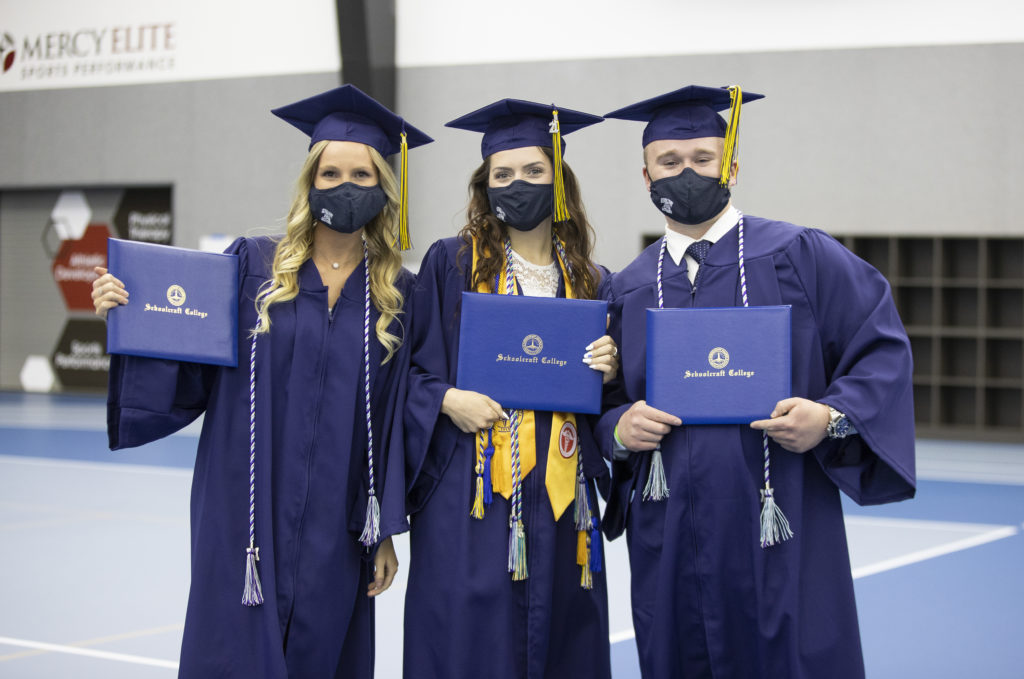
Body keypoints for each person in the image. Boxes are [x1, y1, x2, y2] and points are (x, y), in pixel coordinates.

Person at [90, 84, 432, 679]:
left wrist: (383, 531)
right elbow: (190, 361)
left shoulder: (398, 294)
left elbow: (398, 420)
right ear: (309, 183)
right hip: (245, 505)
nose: (345, 187)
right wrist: (127, 312)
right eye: (330, 173)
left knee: (323, 647)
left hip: (339, 518)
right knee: (233, 646)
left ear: (383, 189)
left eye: (361, 173)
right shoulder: (252, 265)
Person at [597, 85, 916, 678]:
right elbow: (604, 400)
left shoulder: (799, 254)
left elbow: (881, 348)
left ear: (733, 167)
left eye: (702, 160)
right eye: (669, 162)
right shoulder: (627, 287)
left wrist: (830, 417)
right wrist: (619, 428)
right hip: (667, 529)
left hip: (779, 513)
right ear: (645, 176)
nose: (685, 172)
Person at [402, 99, 617, 679]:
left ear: (560, 185)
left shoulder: (593, 281)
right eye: (503, 174)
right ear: (485, 185)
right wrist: (447, 399)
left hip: (563, 493)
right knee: (468, 637)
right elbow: (408, 373)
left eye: (533, 173)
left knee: (565, 630)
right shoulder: (452, 264)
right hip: (471, 491)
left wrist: (612, 367)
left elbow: (614, 403)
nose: (517, 184)